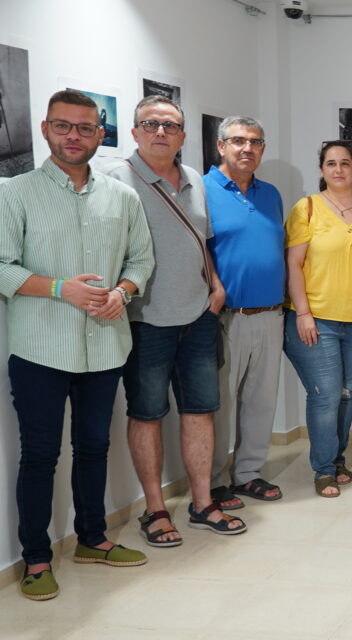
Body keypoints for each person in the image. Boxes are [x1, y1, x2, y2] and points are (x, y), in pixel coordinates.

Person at [0, 90, 155, 601]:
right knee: (40, 454)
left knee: (94, 448)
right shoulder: (13, 193)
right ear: (46, 129)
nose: (74, 136)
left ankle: (92, 538)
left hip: (106, 347)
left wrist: (122, 292)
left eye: (85, 128)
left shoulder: (122, 197)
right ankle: (37, 558)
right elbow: (1, 266)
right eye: (64, 126)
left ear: (99, 134)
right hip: (40, 348)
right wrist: (60, 287)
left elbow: (140, 263)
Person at [104, 96, 245, 544]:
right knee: (146, 414)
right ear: (135, 132)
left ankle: (203, 502)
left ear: (183, 136)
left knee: (201, 411)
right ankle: (155, 509)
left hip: (199, 315)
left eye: (170, 126)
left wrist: (216, 286)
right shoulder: (114, 180)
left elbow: (200, 238)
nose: (161, 132)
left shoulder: (192, 180)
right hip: (145, 319)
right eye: (151, 124)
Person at [283, 140, 352, 497]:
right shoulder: (306, 208)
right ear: (322, 170)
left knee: (346, 392)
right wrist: (304, 313)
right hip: (317, 319)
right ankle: (323, 469)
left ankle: (336, 458)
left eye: (345, 163)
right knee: (325, 394)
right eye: (330, 163)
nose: (338, 169)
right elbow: (293, 264)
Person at [205, 115, 286, 506]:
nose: (247, 149)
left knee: (261, 400)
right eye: (238, 141)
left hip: (271, 314)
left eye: (255, 142)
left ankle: (249, 473)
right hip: (227, 317)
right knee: (219, 402)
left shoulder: (270, 194)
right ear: (221, 146)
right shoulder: (201, 190)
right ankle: (215, 480)